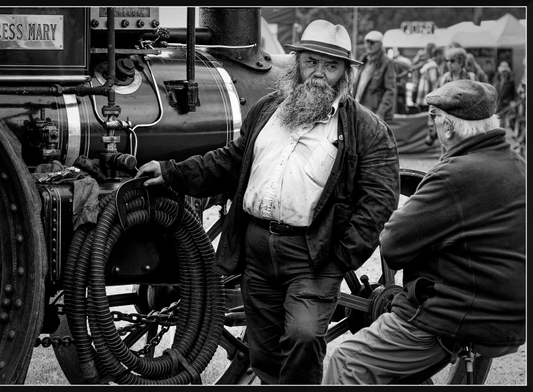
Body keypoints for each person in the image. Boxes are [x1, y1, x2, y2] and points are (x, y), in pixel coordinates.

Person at [136, 19, 400, 384]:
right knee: (263, 350)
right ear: (297, 64)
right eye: (311, 62)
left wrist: (341, 257)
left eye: (331, 65)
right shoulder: (268, 110)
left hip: (314, 256)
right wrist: (171, 173)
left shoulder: (365, 129)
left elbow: (378, 202)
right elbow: (228, 161)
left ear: (345, 74)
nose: (319, 74)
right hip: (257, 250)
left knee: (303, 336)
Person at [324, 79, 525, 385]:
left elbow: (392, 246)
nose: (433, 125)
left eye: (433, 117)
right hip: (511, 319)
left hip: (458, 319)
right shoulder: (519, 167)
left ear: (447, 127)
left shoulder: (453, 176)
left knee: (346, 361)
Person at [353, 30, 397, 121]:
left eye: (372, 42)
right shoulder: (363, 60)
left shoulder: (387, 62)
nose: (368, 45)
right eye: (367, 42)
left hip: (374, 114)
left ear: (380, 44)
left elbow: (390, 90)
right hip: (358, 109)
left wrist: (381, 112)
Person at [492, 61, 517, 126]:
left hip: (506, 106)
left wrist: (513, 101)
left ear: (508, 72)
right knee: (496, 122)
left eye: (505, 72)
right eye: (503, 72)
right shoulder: (496, 79)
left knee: (504, 123)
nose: (504, 73)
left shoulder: (511, 82)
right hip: (496, 105)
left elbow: (514, 94)